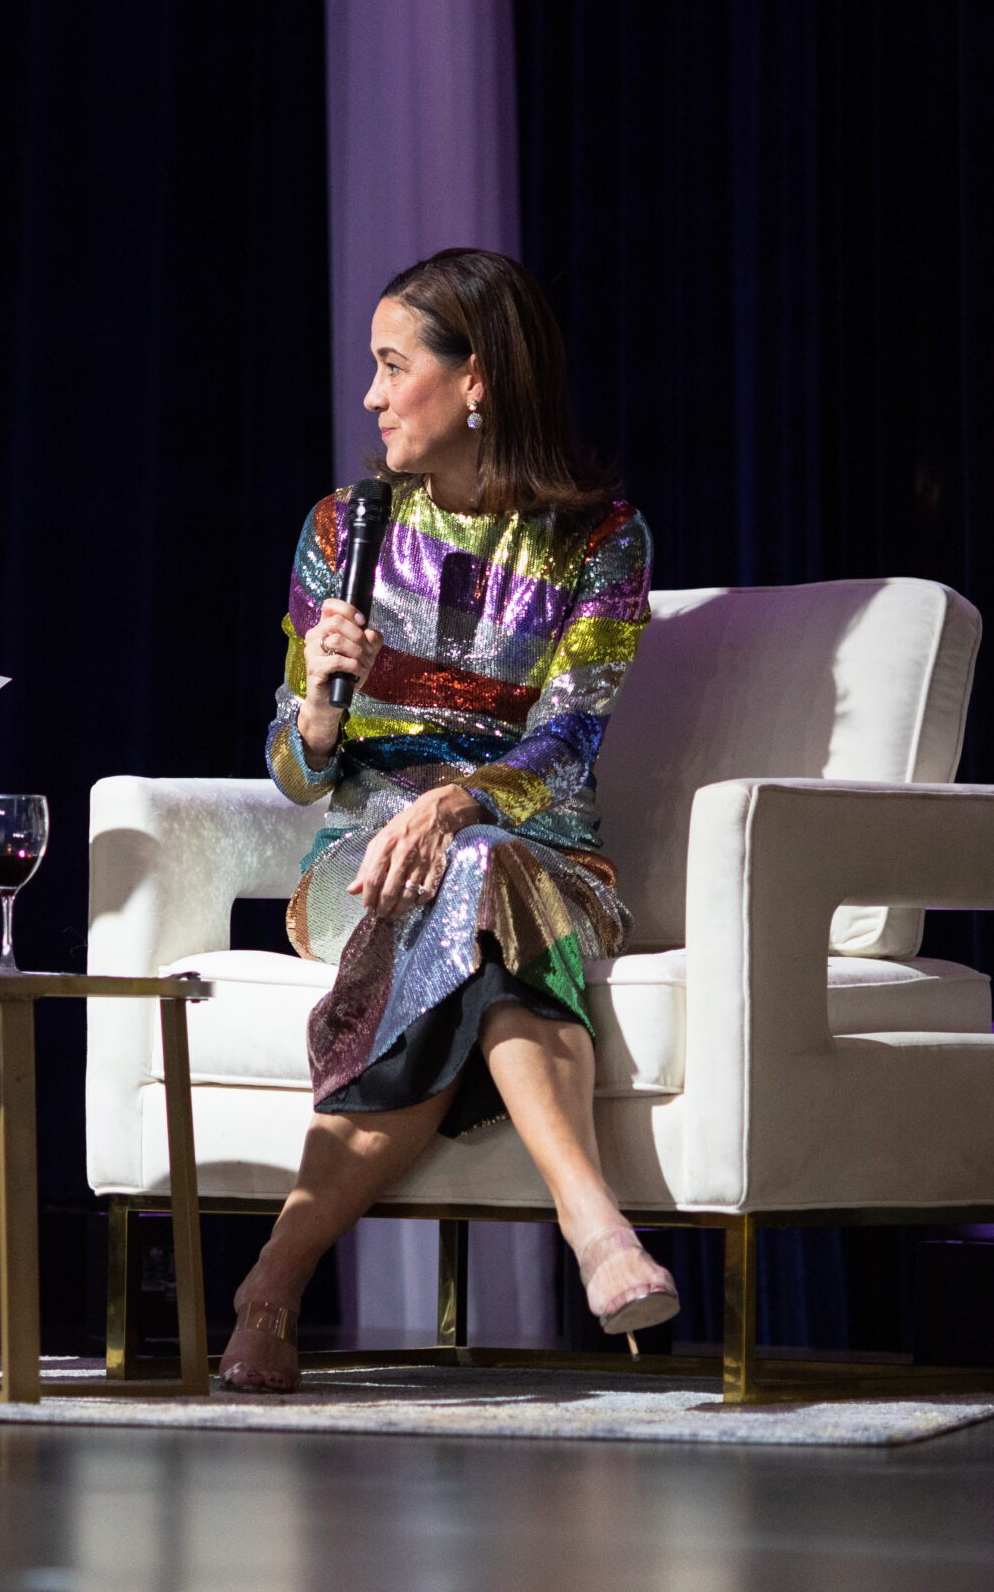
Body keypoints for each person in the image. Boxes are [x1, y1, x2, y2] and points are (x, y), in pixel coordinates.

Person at [218, 248, 678, 1393]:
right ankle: (593, 1223)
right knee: (470, 906)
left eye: (391, 366)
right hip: (362, 864)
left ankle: (269, 1289)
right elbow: (288, 766)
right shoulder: (340, 530)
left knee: (478, 875)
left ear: (477, 381)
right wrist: (321, 709)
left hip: (546, 857)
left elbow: (569, 735)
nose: (370, 397)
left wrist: (457, 801)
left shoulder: (600, 540)